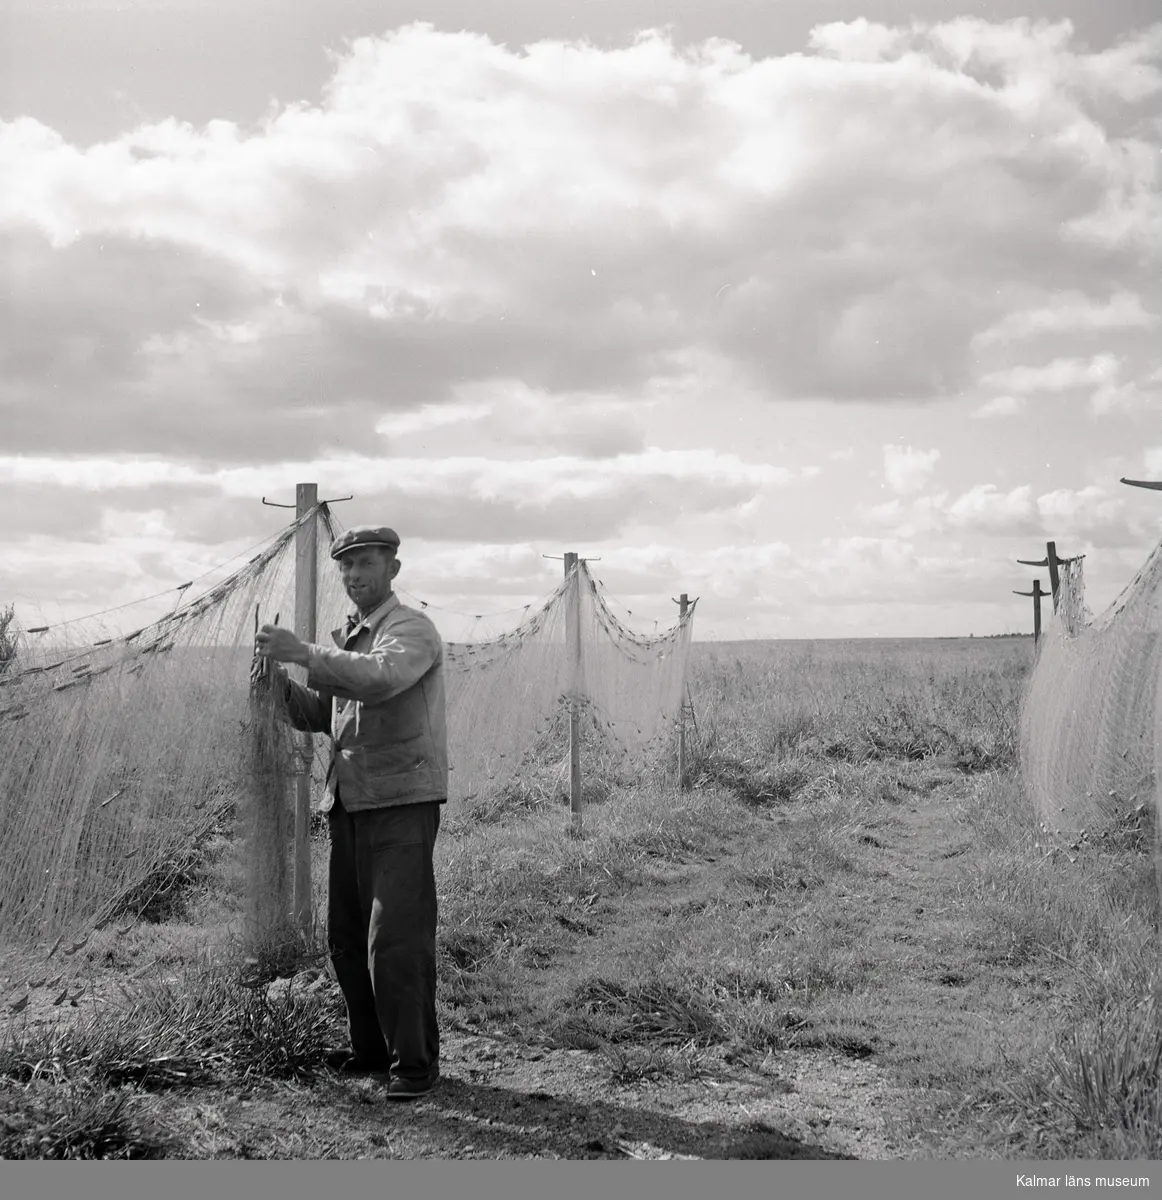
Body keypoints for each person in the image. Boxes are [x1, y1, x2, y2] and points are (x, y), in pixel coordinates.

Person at [253, 524, 447, 1101]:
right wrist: (280, 687)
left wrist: (304, 652)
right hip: (348, 803)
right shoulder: (347, 637)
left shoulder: (410, 629)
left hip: (401, 803)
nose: (355, 574)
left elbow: (381, 680)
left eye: (366, 562)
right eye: (346, 566)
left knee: (394, 939)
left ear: (392, 567)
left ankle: (414, 1065)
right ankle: (370, 1052)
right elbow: (324, 713)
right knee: (346, 936)